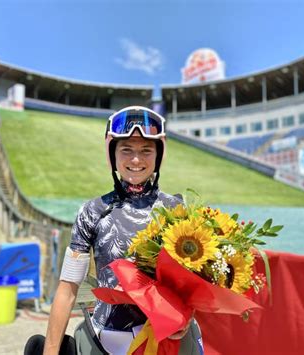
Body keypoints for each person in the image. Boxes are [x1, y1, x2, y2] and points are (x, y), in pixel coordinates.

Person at [25, 107, 203, 355]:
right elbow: (67, 290)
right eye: (126, 150)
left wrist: (186, 315)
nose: (136, 160)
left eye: (146, 150)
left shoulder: (177, 209)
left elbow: (193, 285)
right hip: (106, 341)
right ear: (113, 155)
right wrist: (50, 352)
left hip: (168, 339)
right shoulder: (92, 211)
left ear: (158, 155)